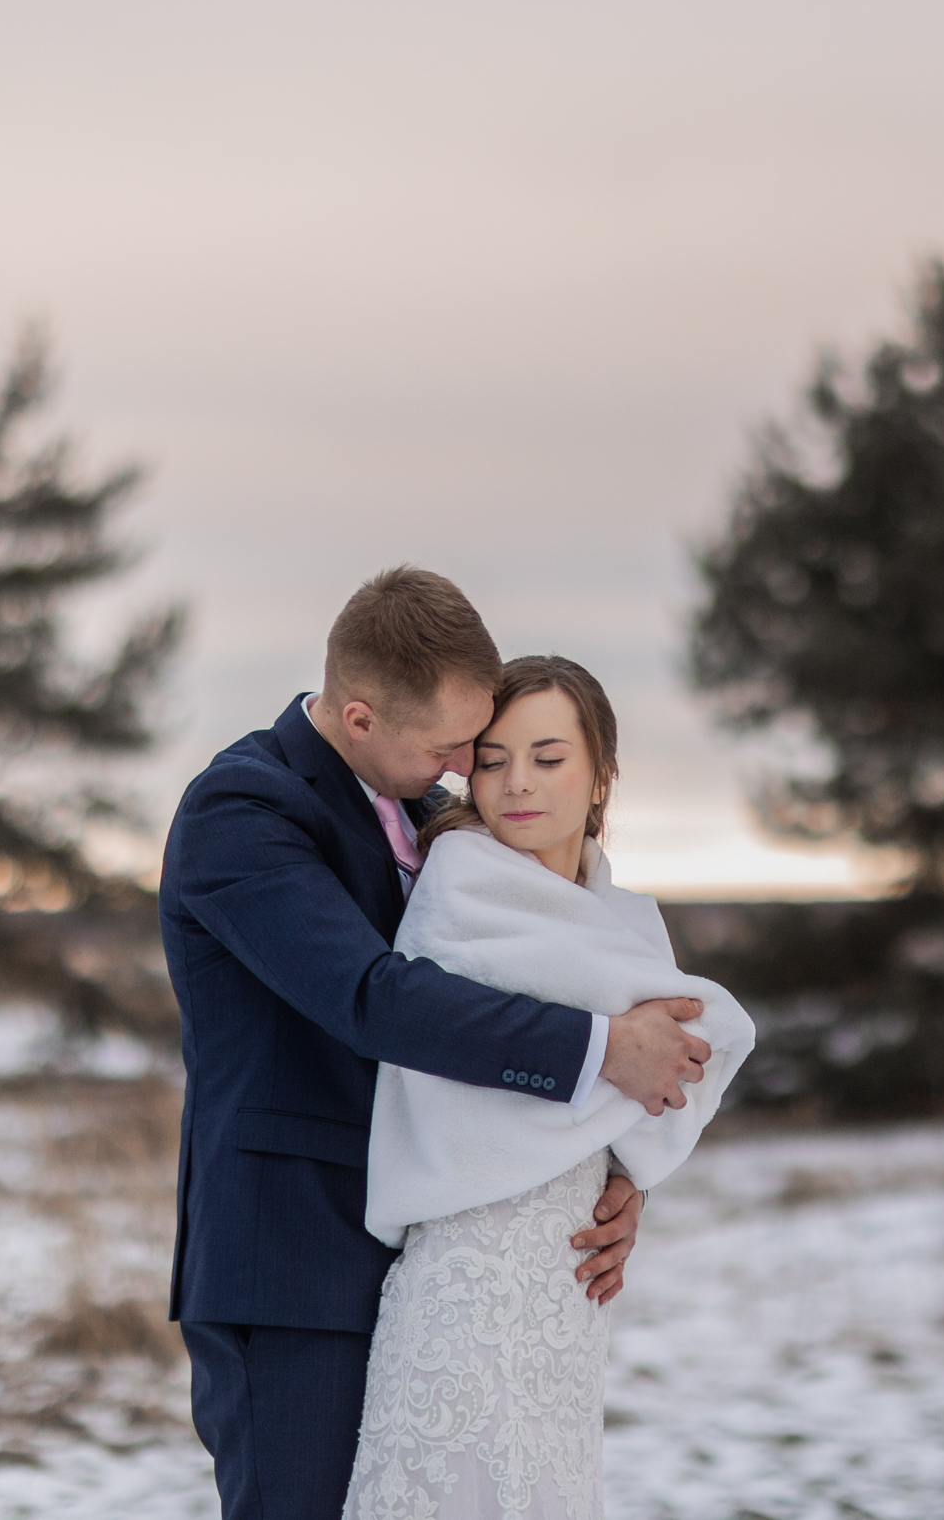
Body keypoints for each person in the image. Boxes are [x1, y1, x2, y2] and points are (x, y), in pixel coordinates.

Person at [160, 567, 712, 1520]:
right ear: (363, 716)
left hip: (435, 1265)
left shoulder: (427, 817)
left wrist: (621, 1171)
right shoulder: (243, 812)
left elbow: (528, 980)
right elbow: (372, 997)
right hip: (295, 1263)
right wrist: (598, 1049)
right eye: (451, 744)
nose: (468, 766)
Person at [344, 656, 754, 1520]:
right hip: (466, 1291)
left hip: (567, 1297)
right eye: (491, 759)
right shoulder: (460, 887)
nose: (516, 783)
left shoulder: (628, 920)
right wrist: (617, 1068)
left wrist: (630, 1175)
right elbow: (467, 1085)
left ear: (600, 774)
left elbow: (690, 1053)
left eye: (547, 756)